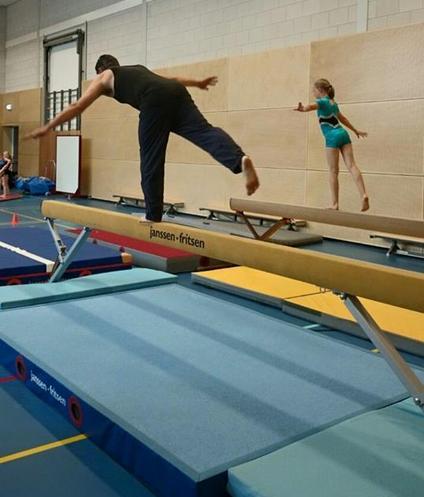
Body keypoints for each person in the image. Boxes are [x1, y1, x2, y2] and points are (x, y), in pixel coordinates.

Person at [29, 55, 260, 221]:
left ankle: (153, 215)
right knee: (204, 132)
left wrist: (49, 126)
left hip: (153, 101)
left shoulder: (103, 78)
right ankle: (239, 159)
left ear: (100, 70)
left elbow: (78, 106)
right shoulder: (138, 68)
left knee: (151, 158)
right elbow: (172, 79)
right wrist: (197, 83)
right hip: (175, 92)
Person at [295, 78, 369, 212]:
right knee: (352, 165)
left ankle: (335, 204)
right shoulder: (333, 103)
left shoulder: (321, 101)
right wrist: (355, 130)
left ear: (320, 90)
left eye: (314, 90)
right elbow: (343, 119)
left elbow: (311, 106)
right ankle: (363, 194)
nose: (313, 92)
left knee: (333, 171)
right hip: (343, 134)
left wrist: (303, 109)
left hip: (332, 138)